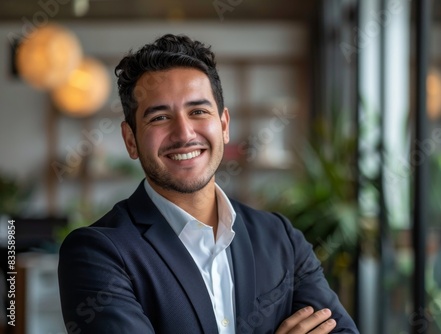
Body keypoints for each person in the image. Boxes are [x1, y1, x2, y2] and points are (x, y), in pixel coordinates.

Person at [58, 33, 359, 334]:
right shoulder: (97, 252)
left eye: (198, 111)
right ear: (130, 140)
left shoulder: (280, 238)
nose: (184, 133)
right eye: (160, 117)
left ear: (224, 125)